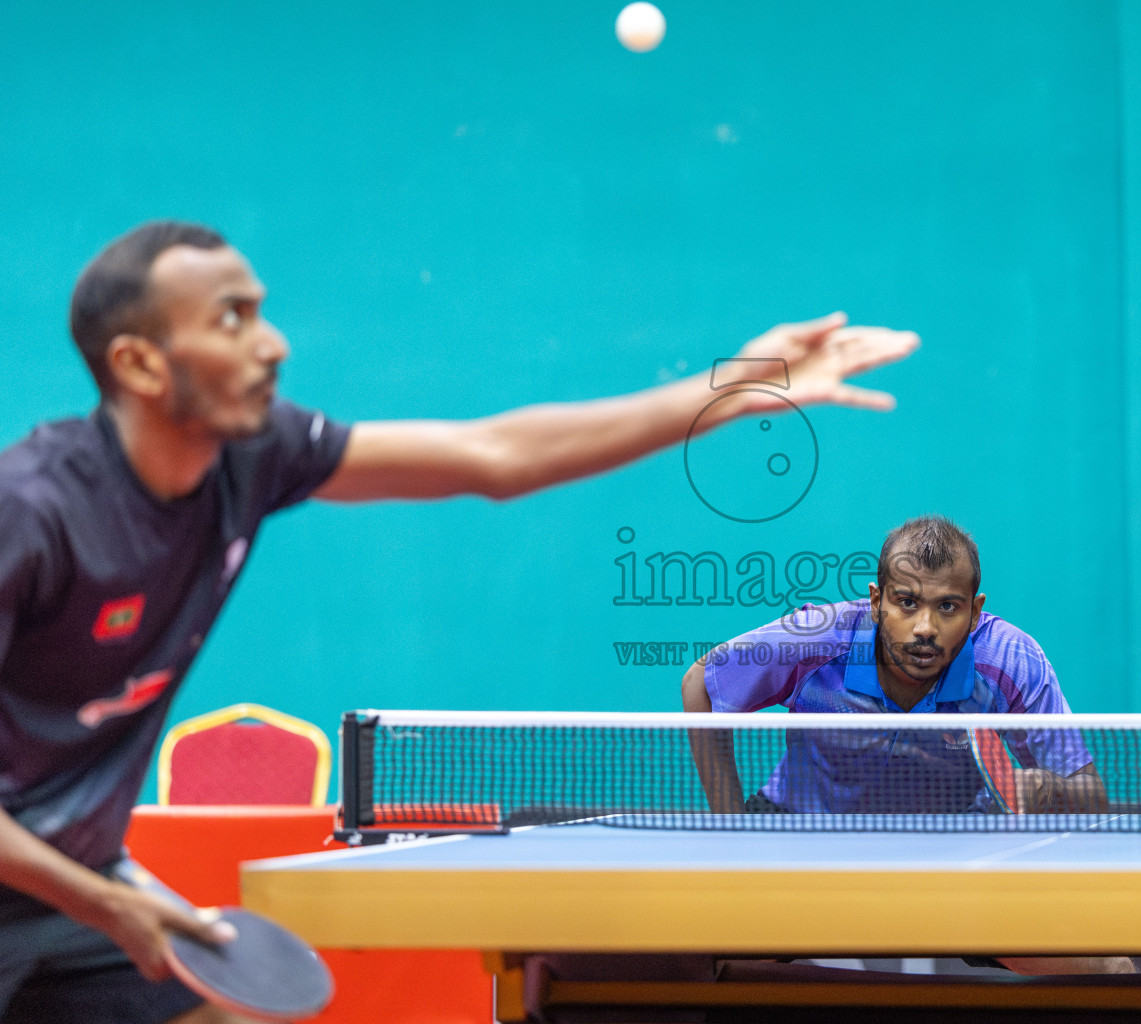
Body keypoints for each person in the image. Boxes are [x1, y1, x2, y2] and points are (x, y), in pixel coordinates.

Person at [0, 221, 920, 1024]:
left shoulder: (254, 457)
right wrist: (106, 901)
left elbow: (493, 456)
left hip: (60, 891)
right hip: (60, 882)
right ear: (139, 363)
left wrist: (740, 388)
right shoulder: (31, 514)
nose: (273, 344)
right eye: (230, 319)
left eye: (262, 309)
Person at [681, 515, 1107, 816]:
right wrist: (729, 827)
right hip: (799, 828)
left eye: (948, 607)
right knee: (707, 943)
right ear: (875, 601)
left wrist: (1046, 788)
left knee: (1102, 950)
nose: (925, 627)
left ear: (975, 612)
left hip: (955, 846)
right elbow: (700, 682)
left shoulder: (1011, 660)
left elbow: (1091, 794)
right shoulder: (816, 638)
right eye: (906, 602)